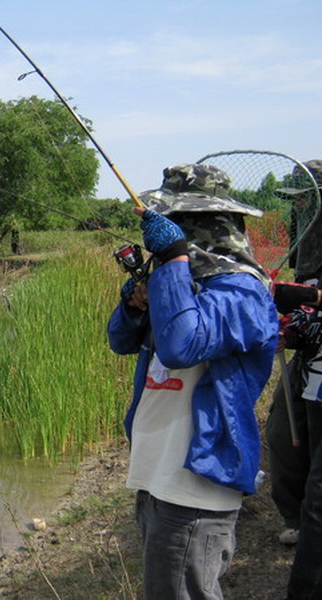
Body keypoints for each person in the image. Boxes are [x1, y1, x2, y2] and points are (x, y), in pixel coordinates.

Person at [108, 163, 278, 599]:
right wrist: (135, 302)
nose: (171, 232)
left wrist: (173, 261)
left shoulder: (244, 294)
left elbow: (182, 346)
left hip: (197, 486)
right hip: (155, 474)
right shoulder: (185, 286)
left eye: (179, 223)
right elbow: (121, 341)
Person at [266, 160, 322, 550]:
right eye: (296, 200)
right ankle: (295, 516)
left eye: (307, 199)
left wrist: (304, 308)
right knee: (284, 432)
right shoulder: (305, 254)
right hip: (310, 360)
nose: (300, 207)